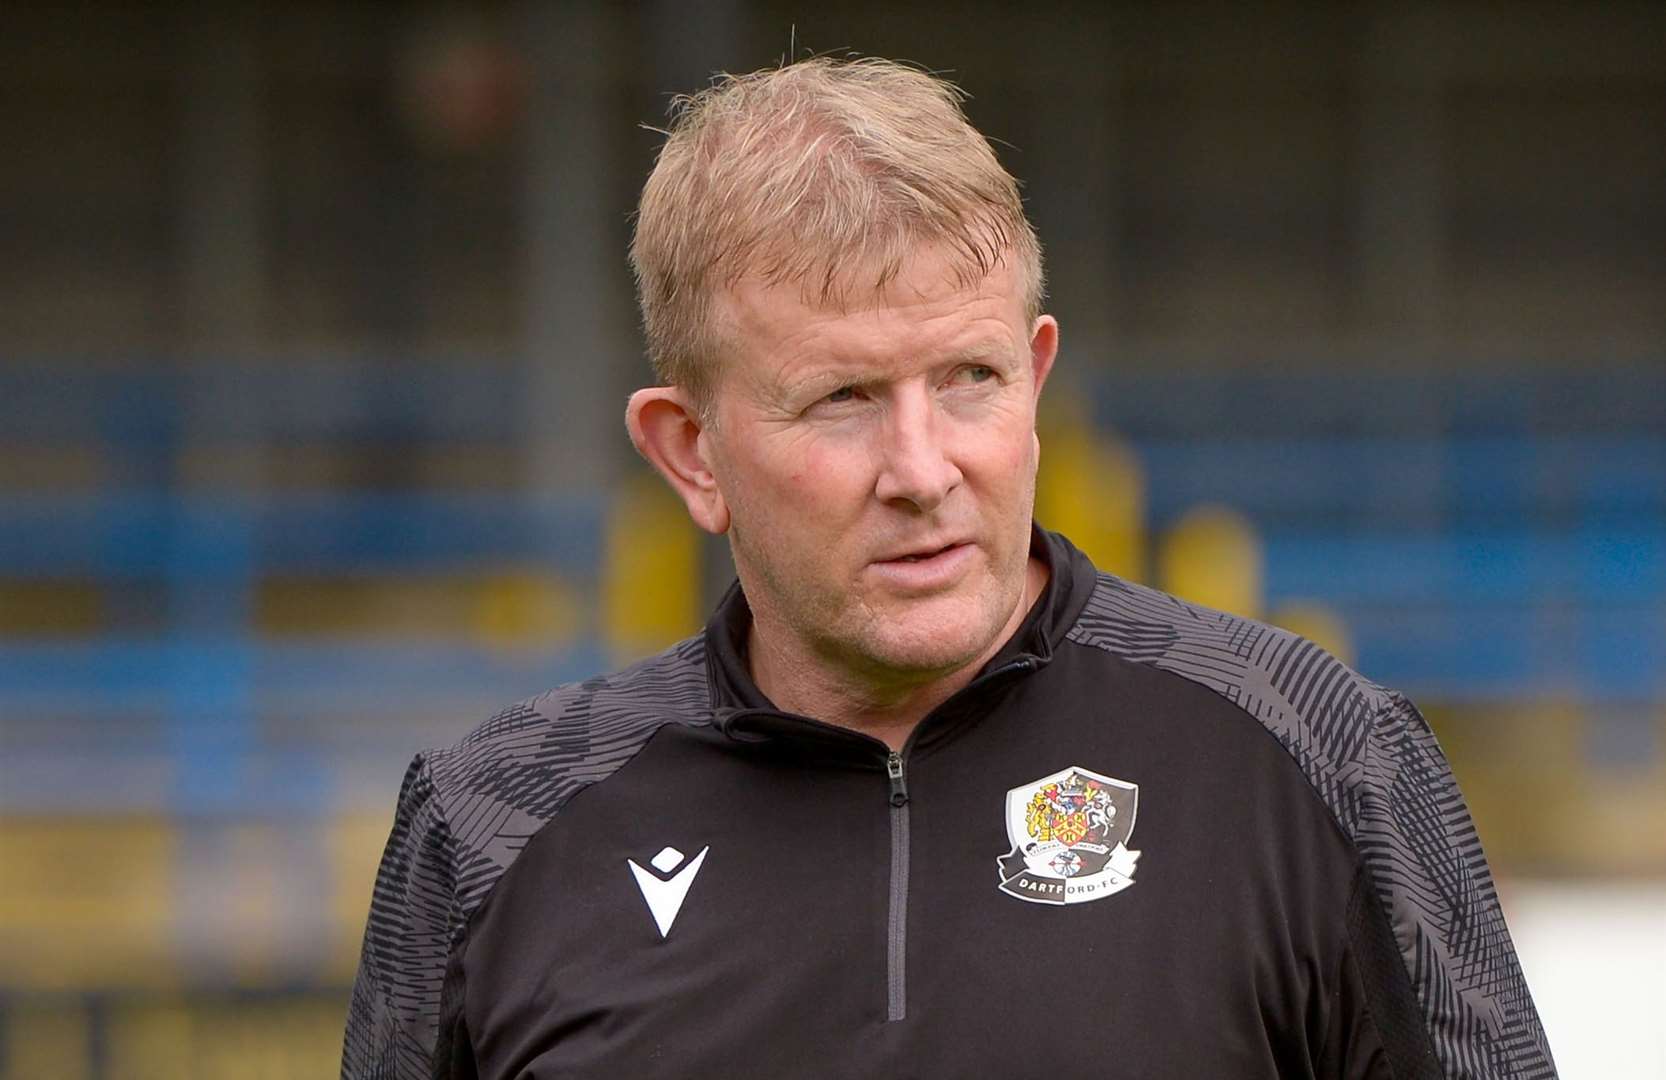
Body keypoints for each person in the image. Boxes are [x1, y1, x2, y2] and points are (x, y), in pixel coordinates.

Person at [342, 57, 1555, 1079]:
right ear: (690, 452)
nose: (921, 469)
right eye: (842, 399)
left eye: (968, 380)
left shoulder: (1324, 761)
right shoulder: (489, 830)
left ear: (1034, 376)